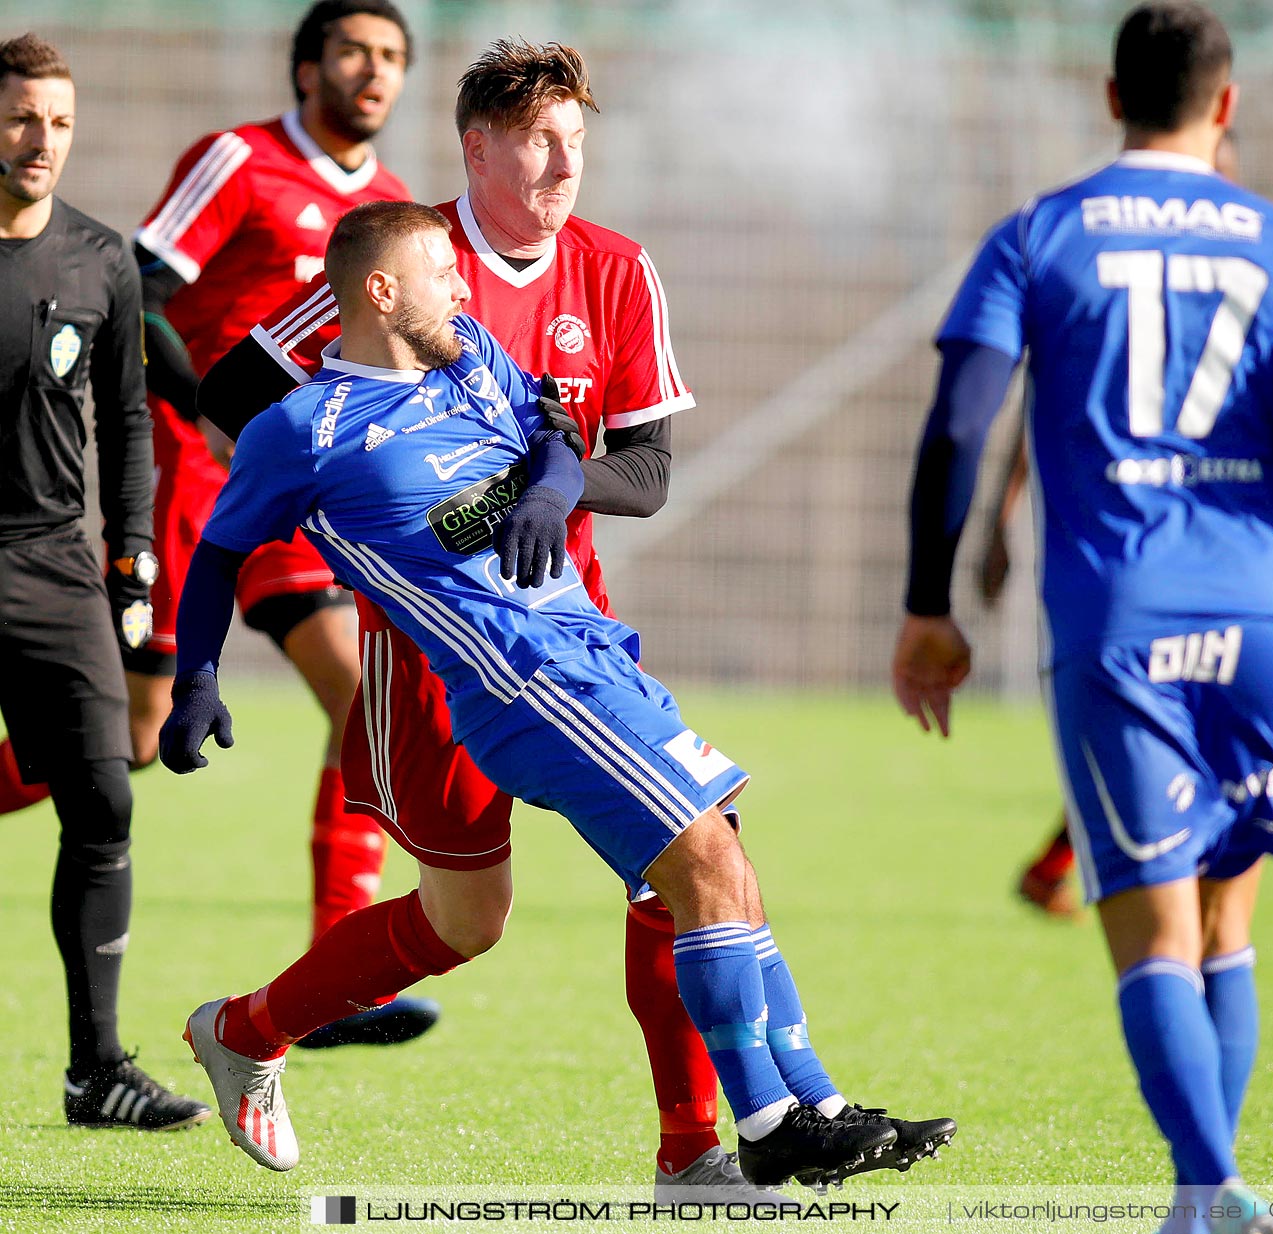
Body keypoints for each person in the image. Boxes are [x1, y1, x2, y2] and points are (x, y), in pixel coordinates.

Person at [163, 200, 954, 1189]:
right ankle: (759, 1127)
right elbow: (218, 551)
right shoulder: (303, 428)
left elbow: (554, 426)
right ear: (380, 291)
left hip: (592, 652)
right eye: (441, 272)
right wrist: (195, 673)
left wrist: (549, 485)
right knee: (698, 860)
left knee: (705, 865)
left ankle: (813, 1105)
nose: (461, 288)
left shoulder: (469, 356)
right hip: (519, 680)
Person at [891, 6, 1273, 1232]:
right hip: (1266, 608)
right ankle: (1201, 1193)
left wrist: (926, 605)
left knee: (1151, 925)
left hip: (1122, 610)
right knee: (1227, 919)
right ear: (1226, 107)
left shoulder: (1040, 234)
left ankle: (1210, 1189)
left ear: (1112, 96)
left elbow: (957, 426)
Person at [130, 0, 433, 1048]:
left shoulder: (393, 206)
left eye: (392, 56)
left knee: (362, 702)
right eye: (353, 49)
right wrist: (208, 419)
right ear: (308, 67)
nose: (374, 69)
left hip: (308, 497)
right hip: (199, 483)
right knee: (122, 734)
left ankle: (336, 977)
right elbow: (138, 292)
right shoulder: (237, 161)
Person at [0, 31, 211, 1132]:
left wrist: (135, 552)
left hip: (53, 566)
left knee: (105, 800)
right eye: (23, 116)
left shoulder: (99, 257)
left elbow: (127, 421)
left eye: (60, 121)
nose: (42, 140)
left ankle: (96, 1072)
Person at [989, 129, 1239, 921]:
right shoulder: (1101, 274)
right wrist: (998, 519)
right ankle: (1172, 906)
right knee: (1161, 719)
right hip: (1121, 554)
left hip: (1214, 548)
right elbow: (1038, 406)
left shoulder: (1244, 272)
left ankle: (1069, 865)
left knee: (1188, 720)